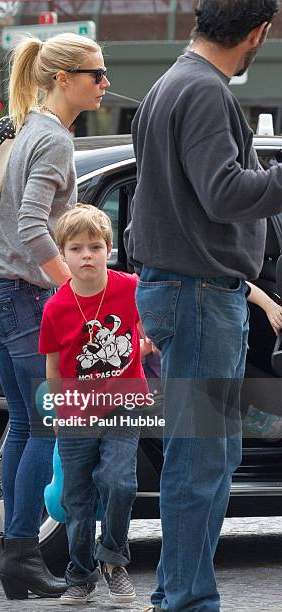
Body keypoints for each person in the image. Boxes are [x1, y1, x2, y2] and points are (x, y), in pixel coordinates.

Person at [125, 1, 282, 610]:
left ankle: (177, 594)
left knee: (207, 456)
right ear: (257, 32)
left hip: (188, 292)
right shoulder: (204, 91)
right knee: (202, 460)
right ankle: (187, 602)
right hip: (196, 296)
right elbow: (222, 193)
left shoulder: (171, 83)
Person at [0, 34, 109, 600]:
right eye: (95, 74)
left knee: (29, 426)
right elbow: (31, 225)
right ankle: (21, 554)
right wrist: (75, 290)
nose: (104, 82)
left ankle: (17, 559)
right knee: (46, 427)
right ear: (62, 79)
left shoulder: (33, 128)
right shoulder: (51, 139)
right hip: (20, 299)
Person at [39, 204, 149, 605]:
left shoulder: (130, 288)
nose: (87, 255)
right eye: (76, 248)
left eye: (96, 246)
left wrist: (145, 337)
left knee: (120, 482)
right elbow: (53, 365)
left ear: (108, 250)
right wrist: (54, 408)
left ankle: (114, 561)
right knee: (77, 498)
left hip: (124, 405)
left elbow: (148, 324)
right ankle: (80, 575)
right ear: (63, 254)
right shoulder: (56, 307)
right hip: (74, 413)